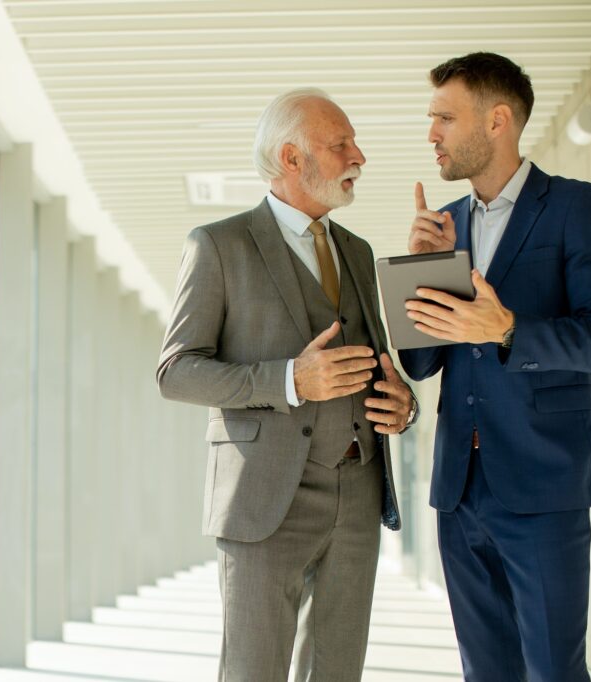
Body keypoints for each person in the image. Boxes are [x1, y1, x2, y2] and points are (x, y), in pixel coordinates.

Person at [157, 88, 417, 682]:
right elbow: (175, 372)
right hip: (263, 495)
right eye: (342, 144)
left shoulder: (358, 251)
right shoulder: (217, 245)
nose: (360, 156)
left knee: (337, 671)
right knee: (254, 670)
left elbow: (379, 369)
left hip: (357, 494)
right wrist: (288, 380)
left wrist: (402, 407)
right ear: (292, 158)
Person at [399, 52, 591, 681]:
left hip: (545, 485)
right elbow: (420, 362)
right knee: (486, 674)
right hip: (458, 493)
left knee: (554, 672)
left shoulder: (578, 208)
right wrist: (421, 268)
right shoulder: (444, 224)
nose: (432, 135)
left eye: (445, 118)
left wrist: (507, 328)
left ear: (497, 120)